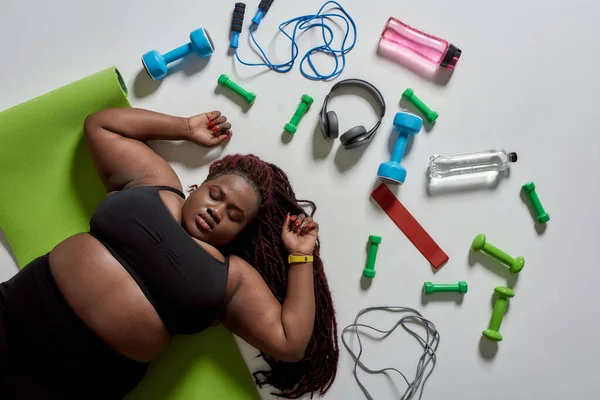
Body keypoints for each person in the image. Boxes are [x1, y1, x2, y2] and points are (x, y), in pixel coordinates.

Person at [0, 108, 338, 399]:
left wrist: (300, 256)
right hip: (17, 311)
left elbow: (290, 342)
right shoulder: (156, 181)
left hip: (80, 377)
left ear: (240, 233)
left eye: (234, 216)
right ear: (196, 187)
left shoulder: (233, 277)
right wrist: (185, 129)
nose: (217, 211)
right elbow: (101, 126)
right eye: (215, 195)